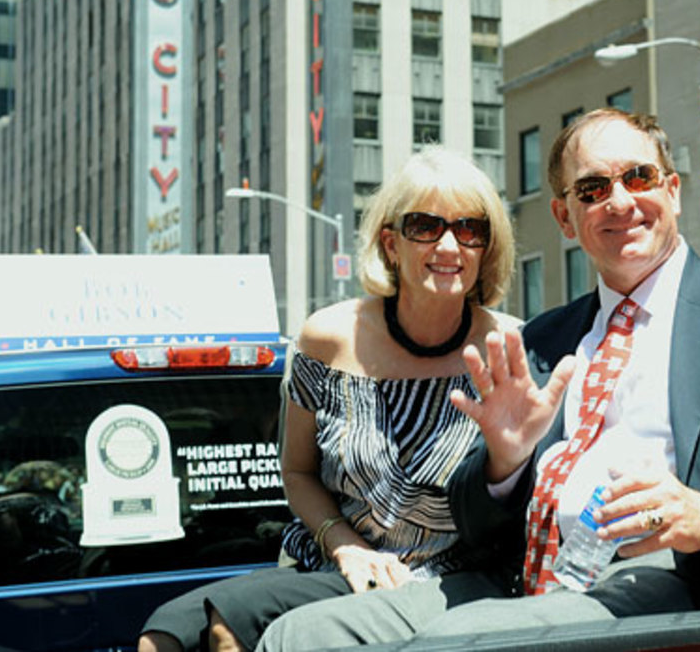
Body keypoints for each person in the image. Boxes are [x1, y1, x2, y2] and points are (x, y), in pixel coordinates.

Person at [257, 108, 700, 649]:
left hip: (675, 584)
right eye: (592, 190)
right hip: (521, 580)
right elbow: (479, 526)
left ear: (671, 190)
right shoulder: (542, 339)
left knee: (471, 640)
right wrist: (504, 466)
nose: (620, 201)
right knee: (302, 637)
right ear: (566, 220)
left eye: (638, 177)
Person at [138, 147, 517, 652]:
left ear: (486, 248)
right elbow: (296, 472)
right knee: (164, 633)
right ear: (390, 242)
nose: (449, 245)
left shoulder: (509, 349)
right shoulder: (326, 339)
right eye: (426, 225)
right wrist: (346, 547)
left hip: (451, 582)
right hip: (337, 565)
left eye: (470, 229)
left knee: (229, 630)